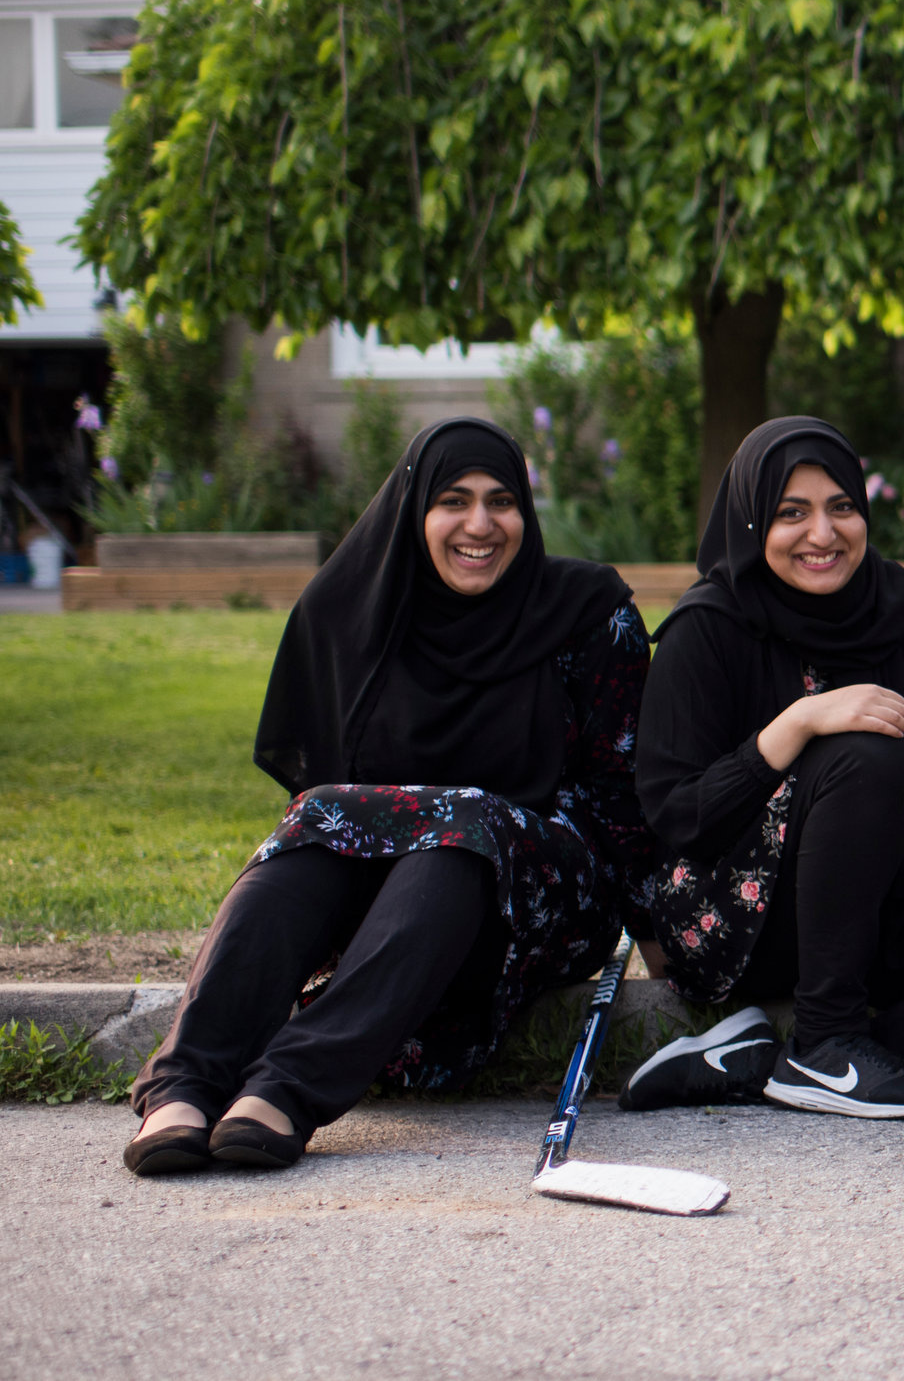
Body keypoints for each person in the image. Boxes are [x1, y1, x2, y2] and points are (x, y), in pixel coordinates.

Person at [125, 419, 650, 1175]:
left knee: (461, 826)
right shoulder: (358, 613)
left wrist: (654, 930)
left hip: (541, 905)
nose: (480, 524)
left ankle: (286, 1085)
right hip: (395, 907)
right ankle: (184, 1082)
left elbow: (621, 805)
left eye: (502, 501)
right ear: (414, 509)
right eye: (453, 500)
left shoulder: (588, 613)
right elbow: (323, 802)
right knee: (321, 820)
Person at [633, 417, 904, 1118]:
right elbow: (679, 814)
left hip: (885, 905)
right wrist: (796, 723)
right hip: (743, 919)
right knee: (868, 751)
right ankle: (824, 1042)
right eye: (792, 513)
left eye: (841, 506)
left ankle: (773, 1057)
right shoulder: (706, 628)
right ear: (753, 519)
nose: (822, 533)